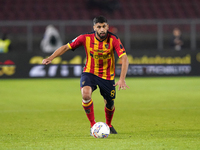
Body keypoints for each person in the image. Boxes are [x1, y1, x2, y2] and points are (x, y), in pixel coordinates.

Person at [42, 16, 129, 134]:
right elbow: (66, 47)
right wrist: (50, 57)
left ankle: (108, 125)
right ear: (94, 28)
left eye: (104, 26)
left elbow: (124, 58)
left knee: (109, 103)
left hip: (107, 76)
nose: (102, 29)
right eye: (99, 27)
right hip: (90, 72)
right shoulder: (85, 38)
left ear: (107, 26)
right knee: (86, 95)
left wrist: (122, 79)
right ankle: (93, 125)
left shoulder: (113, 39)